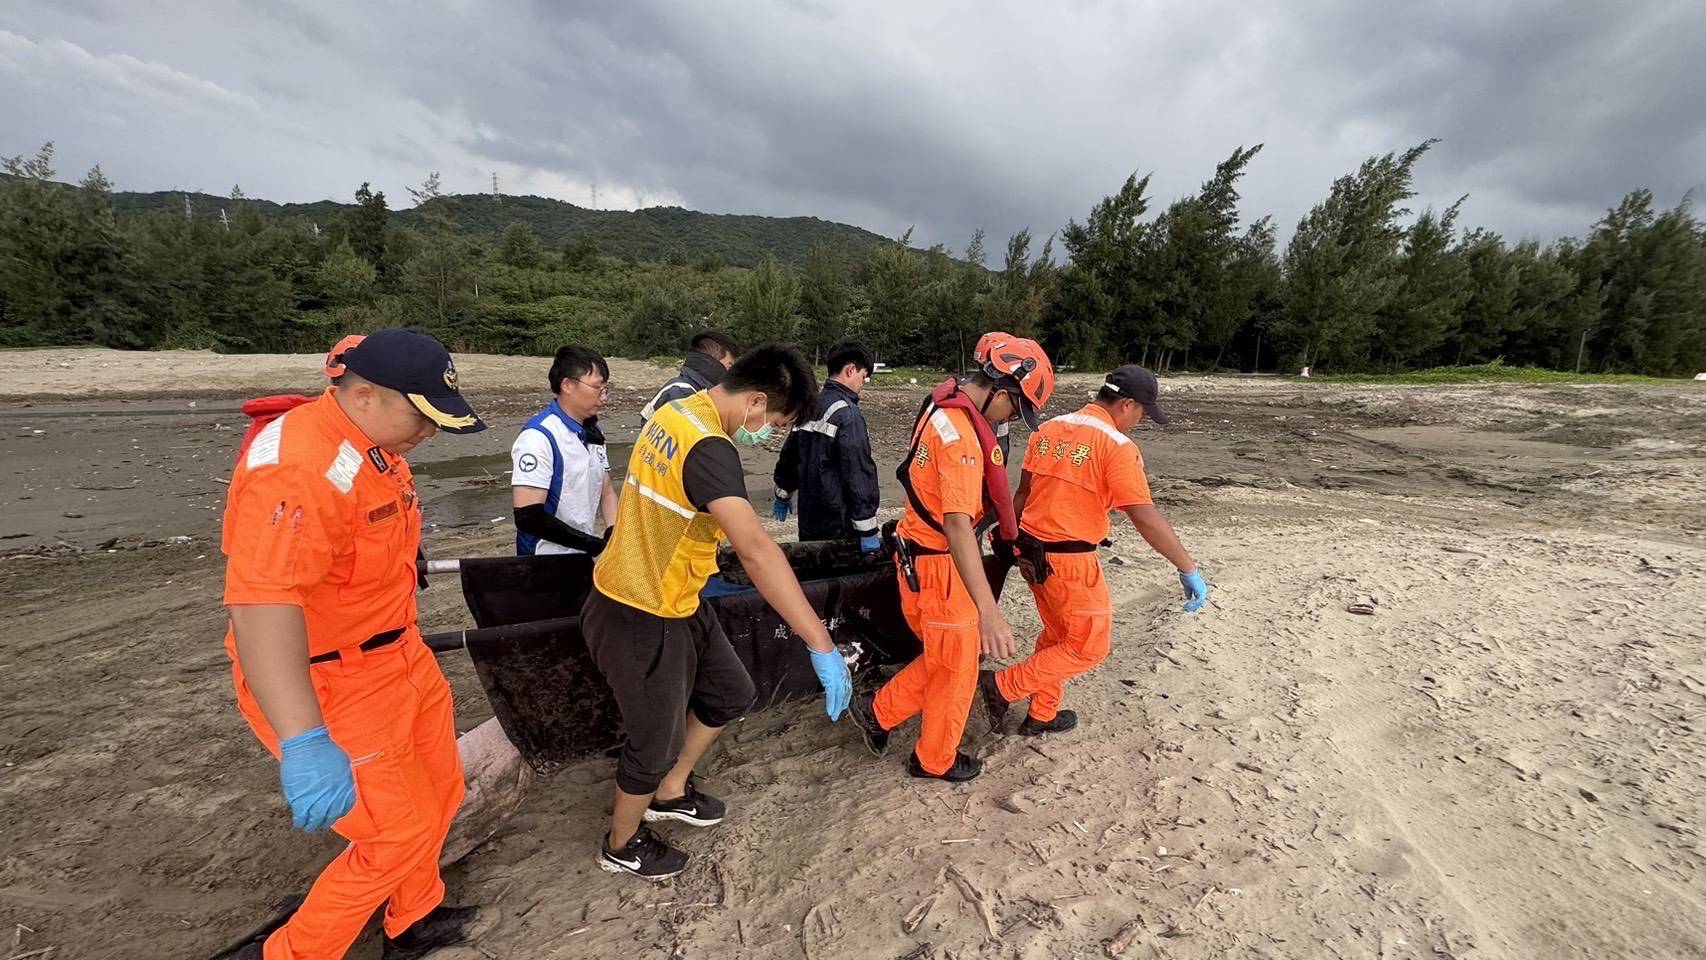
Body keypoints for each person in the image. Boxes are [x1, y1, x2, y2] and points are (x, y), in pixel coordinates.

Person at [220, 329, 493, 959]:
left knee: (442, 792)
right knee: (393, 833)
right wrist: (304, 740)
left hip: (397, 655)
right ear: (363, 393)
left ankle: (413, 916)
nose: (429, 432)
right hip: (331, 679)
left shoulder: (373, 443)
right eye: (420, 415)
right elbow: (261, 607)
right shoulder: (295, 470)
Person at [585, 343, 854, 880]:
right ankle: (622, 843)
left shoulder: (672, 410)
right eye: (774, 422)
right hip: (639, 608)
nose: (768, 433)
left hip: (677, 594)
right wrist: (820, 643)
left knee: (731, 692)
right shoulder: (708, 446)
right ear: (755, 401)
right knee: (653, 739)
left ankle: (670, 790)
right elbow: (756, 549)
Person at [849, 336, 1055, 783]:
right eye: (1015, 410)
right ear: (1001, 391)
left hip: (918, 557)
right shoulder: (961, 437)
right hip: (938, 566)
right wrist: (990, 612)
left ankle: (877, 711)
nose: (1011, 421)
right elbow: (958, 526)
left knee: (947, 659)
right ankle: (933, 759)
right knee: (959, 668)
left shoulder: (941, 406)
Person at [978, 365, 1209, 738]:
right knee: (1089, 646)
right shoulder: (1116, 447)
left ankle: (1042, 712)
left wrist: (1008, 537)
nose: (1139, 421)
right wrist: (1186, 567)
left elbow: (1023, 493)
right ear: (1126, 404)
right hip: (1071, 561)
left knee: (1057, 635)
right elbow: (1143, 514)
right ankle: (1001, 687)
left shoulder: (1049, 428)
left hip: (1033, 555)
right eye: (1141, 413)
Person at [771, 340, 881, 549]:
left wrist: (783, 491)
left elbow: (790, 455)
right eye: (863, 377)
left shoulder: (811, 405)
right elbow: (857, 471)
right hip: (839, 522)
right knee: (841, 578)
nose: (862, 385)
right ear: (850, 370)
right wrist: (867, 528)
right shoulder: (848, 414)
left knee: (814, 569)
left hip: (809, 516)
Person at [512, 345, 619, 555]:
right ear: (568, 385)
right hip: (545, 562)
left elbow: (606, 491)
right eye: (598, 388)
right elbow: (529, 517)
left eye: (606, 389)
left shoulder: (592, 431)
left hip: (581, 555)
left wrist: (613, 534)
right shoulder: (538, 438)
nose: (603, 397)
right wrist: (594, 546)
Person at [640, 329, 740, 420]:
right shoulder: (683, 394)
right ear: (712, 363)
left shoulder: (685, 388)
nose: (730, 373)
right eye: (729, 366)